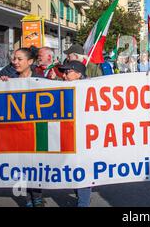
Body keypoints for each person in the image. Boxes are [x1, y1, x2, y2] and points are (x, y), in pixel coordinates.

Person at [0, 47, 45, 207]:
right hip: (16, 130)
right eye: (14, 59)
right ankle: (27, 199)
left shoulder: (41, 79)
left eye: (19, 59)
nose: (15, 62)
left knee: (35, 166)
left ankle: (38, 198)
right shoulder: (7, 77)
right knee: (21, 167)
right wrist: (1, 84)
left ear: (30, 62)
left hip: (35, 129)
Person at [57, 60, 93, 207]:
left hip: (85, 138)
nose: (64, 76)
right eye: (63, 73)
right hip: (68, 136)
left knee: (82, 169)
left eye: (67, 72)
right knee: (73, 169)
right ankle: (81, 197)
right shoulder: (59, 87)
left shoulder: (90, 89)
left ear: (78, 74)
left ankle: (83, 203)